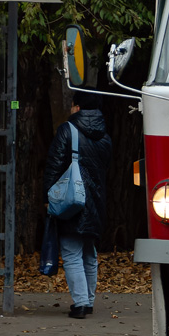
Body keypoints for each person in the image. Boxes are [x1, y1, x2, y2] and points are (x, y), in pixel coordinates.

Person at [45, 90, 113, 319]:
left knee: (72, 253)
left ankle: (81, 303)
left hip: (73, 200)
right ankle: (89, 301)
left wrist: (49, 197)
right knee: (89, 254)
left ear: (77, 107)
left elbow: (54, 166)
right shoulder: (105, 136)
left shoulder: (68, 130)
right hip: (96, 202)